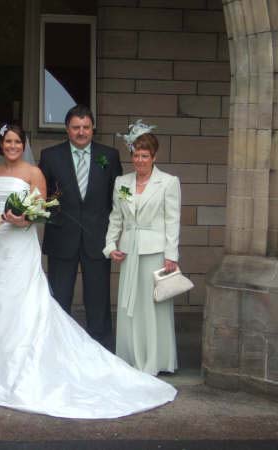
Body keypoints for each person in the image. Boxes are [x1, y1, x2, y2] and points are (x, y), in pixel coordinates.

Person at [0, 123, 176, 419]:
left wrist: (22, 219)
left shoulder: (39, 171)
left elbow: (41, 209)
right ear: (0, 145)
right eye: (8, 142)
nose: (12, 146)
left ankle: (28, 356)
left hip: (24, 245)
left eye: (17, 142)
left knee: (35, 300)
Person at [39, 105, 122, 348]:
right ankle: (58, 347)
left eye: (86, 127)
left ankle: (101, 348)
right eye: (76, 127)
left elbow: (118, 198)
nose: (81, 132)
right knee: (60, 297)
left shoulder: (110, 155)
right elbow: (42, 197)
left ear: (93, 128)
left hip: (98, 237)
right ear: (67, 129)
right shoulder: (50, 156)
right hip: (61, 237)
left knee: (98, 299)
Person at [104, 120, 180, 375]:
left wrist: (171, 255)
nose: (139, 160)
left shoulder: (168, 182)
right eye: (136, 155)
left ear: (154, 157)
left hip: (155, 252)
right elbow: (116, 217)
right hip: (129, 251)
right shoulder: (122, 183)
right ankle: (130, 357)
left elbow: (172, 220)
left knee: (153, 306)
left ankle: (156, 360)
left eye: (145, 156)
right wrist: (110, 245)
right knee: (131, 306)